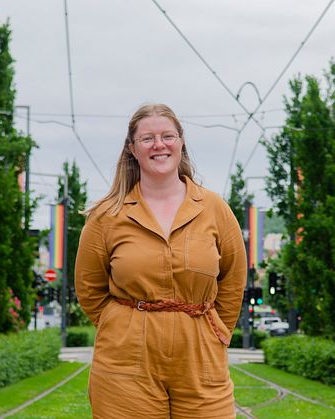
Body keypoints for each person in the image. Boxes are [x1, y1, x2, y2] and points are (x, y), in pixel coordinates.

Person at [75, 103, 247, 418]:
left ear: (181, 142)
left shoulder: (214, 208)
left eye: (168, 136)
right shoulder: (106, 216)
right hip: (125, 358)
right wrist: (123, 324)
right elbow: (88, 287)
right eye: (147, 138)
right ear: (131, 149)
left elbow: (234, 277)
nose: (159, 145)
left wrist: (218, 329)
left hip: (200, 353)